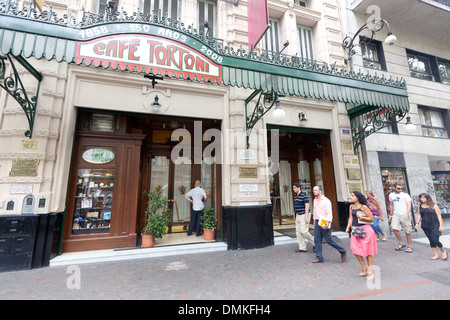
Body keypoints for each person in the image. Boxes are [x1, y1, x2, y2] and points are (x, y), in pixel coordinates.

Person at [346, 191, 377, 280]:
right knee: (355, 249)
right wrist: (348, 227)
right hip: (355, 230)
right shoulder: (351, 206)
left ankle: (370, 271)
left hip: (365, 230)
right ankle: (364, 266)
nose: (351, 197)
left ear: (358, 197)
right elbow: (350, 218)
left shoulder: (364, 207)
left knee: (368, 252)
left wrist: (361, 217)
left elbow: (371, 218)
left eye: (353, 196)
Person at [311, 185, 346, 263]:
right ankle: (319, 257)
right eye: (313, 190)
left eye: (316, 190)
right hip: (317, 221)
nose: (314, 192)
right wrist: (314, 222)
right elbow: (315, 211)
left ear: (320, 191)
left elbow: (329, 213)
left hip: (324, 221)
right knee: (317, 239)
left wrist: (327, 223)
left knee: (329, 240)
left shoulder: (326, 201)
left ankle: (342, 250)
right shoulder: (315, 200)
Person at [415, 193, 447, 260]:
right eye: (421, 197)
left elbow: (439, 216)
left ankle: (443, 251)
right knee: (431, 240)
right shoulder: (420, 205)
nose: (421, 199)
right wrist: (417, 223)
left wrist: (441, 225)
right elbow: (419, 215)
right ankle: (436, 255)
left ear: (427, 198)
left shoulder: (434, 206)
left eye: (423, 197)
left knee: (435, 240)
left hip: (435, 225)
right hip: (425, 226)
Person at [388, 183, 414, 253]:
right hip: (396, 214)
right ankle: (401, 242)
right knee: (394, 228)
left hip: (404, 214)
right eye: (398, 188)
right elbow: (391, 205)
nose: (400, 190)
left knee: (407, 230)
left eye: (401, 188)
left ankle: (410, 246)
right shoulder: (391, 195)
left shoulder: (405, 195)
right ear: (394, 188)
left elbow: (409, 205)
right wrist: (390, 214)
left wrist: (407, 213)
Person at [292, 183, 314, 253]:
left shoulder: (304, 195)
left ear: (299, 188)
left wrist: (306, 217)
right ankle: (302, 247)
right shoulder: (295, 195)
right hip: (298, 215)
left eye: (295, 188)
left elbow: (307, 206)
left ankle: (315, 243)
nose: (293, 189)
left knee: (304, 231)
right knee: (298, 232)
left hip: (304, 214)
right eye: (293, 188)